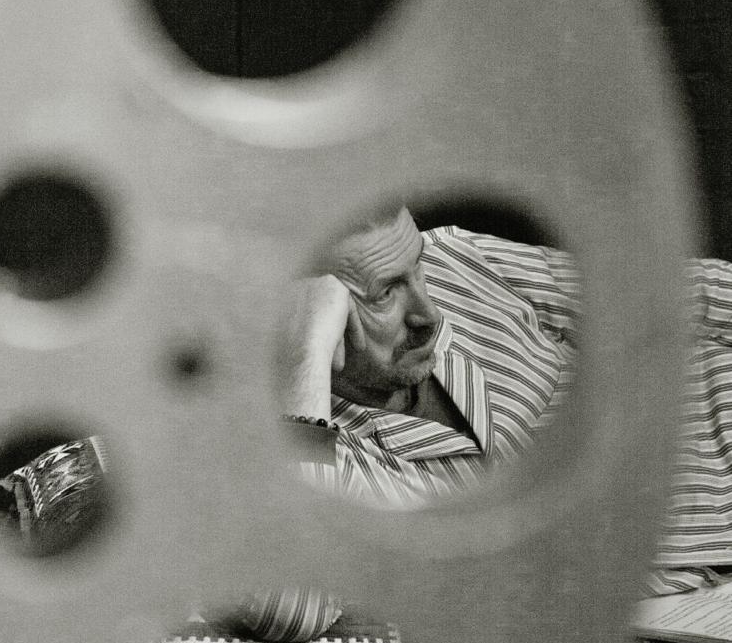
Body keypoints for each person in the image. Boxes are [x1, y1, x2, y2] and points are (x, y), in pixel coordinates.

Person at [279, 203, 732, 594]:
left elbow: (677, 294)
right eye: (385, 293)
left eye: (418, 266)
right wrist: (306, 356)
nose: (429, 314)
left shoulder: (459, 259)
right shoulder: (301, 447)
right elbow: (293, 602)